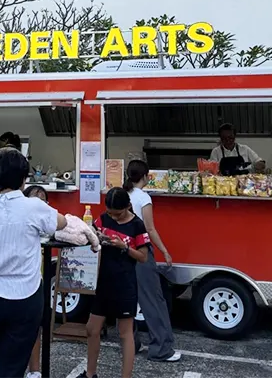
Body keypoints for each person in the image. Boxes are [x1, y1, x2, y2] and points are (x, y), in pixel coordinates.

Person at [0, 148, 67, 378]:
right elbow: (61, 222)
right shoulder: (34, 206)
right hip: (24, 297)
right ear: (23, 178)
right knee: (12, 366)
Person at [79, 188, 150, 378]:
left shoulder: (137, 225)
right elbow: (92, 233)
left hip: (125, 283)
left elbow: (143, 257)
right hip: (103, 281)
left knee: (125, 333)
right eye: (110, 213)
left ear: (128, 206)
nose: (114, 217)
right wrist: (96, 239)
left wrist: (124, 247)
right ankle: (90, 374)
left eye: (118, 214)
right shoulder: (104, 218)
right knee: (92, 328)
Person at [122, 159, 181, 363]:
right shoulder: (143, 198)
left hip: (123, 252)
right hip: (141, 252)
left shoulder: (123, 195)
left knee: (128, 301)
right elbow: (150, 229)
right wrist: (164, 251)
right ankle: (161, 349)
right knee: (153, 300)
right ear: (145, 176)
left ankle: (131, 344)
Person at [22, 185, 49, 378]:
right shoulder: (21, 223)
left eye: (43, 202)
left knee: (35, 329)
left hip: (37, 284)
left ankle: (35, 371)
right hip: (19, 285)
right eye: (35, 201)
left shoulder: (48, 225)